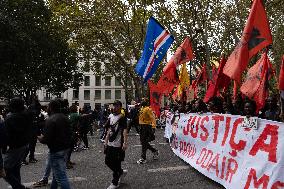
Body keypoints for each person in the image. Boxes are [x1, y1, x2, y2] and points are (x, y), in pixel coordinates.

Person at [38, 99, 71, 189]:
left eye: (48, 106)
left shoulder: (50, 120)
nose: (47, 108)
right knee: (56, 175)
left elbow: (46, 139)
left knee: (61, 177)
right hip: (65, 148)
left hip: (56, 150)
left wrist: (39, 137)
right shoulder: (64, 117)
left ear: (51, 108)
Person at [3, 97, 32, 189]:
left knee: (4, 170)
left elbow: (6, 135)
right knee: (16, 169)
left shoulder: (9, 118)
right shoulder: (27, 115)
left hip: (14, 147)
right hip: (24, 145)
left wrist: (4, 148)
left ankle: (19, 187)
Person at [104, 100, 128, 189]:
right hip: (110, 143)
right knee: (107, 161)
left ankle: (115, 182)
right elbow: (109, 130)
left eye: (117, 106)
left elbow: (125, 131)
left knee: (116, 162)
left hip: (118, 144)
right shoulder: (110, 116)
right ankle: (120, 172)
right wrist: (106, 142)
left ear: (120, 107)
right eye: (114, 106)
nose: (115, 107)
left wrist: (125, 143)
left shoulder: (122, 117)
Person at [137, 99, 159, 164]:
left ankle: (143, 158)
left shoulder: (148, 109)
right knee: (143, 142)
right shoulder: (142, 109)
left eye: (142, 101)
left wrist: (153, 127)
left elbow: (153, 117)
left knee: (144, 142)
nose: (141, 101)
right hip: (142, 127)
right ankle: (154, 151)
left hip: (147, 126)